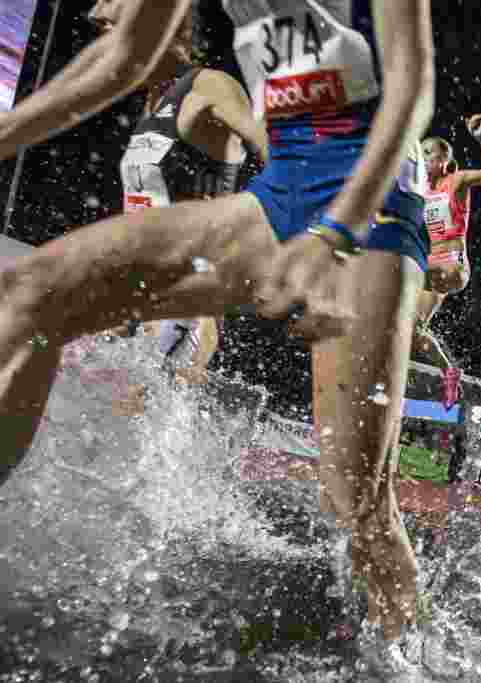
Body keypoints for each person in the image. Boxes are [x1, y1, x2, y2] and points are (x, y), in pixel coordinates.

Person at [0, 0, 436, 643]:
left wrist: (334, 234)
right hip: (278, 190)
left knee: (356, 498)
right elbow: (123, 60)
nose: (95, 8)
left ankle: (411, 653)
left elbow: (413, 89)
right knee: (30, 292)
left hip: (369, 200)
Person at [90, 1, 267, 388]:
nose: (94, 14)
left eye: (111, 6)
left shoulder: (209, 86)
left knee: (138, 426)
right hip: (138, 300)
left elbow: (280, 155)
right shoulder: (154, 101)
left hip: (181, 303)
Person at [417, 117, 481, 408]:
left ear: (445, 159)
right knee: (412, 331)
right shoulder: (419, 189)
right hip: (430, 268)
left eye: (428, 153)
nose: (422, 159)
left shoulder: (456, 181)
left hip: (453, 264)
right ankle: (449, 372)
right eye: (420, 154)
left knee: (395, 271)